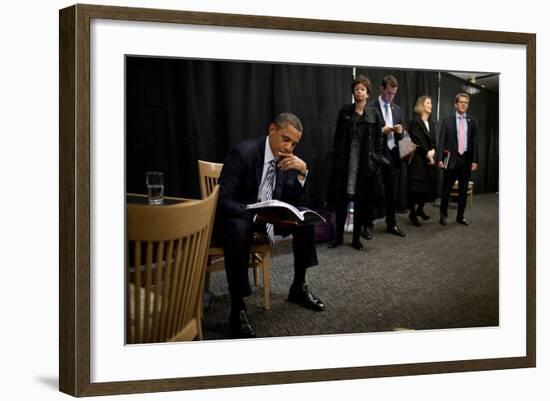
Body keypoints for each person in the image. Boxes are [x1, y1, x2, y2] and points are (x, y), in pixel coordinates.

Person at [217, 113, 325, 339]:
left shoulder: (285, 160)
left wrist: (302, 172)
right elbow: (224, 202)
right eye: (285, 139)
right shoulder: (243, 154)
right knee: (238, 228)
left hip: (269, 220)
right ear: (272, 129)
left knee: (303, 220)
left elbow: (293, 198)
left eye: (294, 144)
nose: (289, 147)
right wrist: (258, 218)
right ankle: (237, 307)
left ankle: (298, 287)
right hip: (243, 219)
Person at [326, 75, 384, 251]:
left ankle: (357, 238)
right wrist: (336, 158)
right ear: (353, 92)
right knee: (341, 201)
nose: (359, 92)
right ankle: (338, 237)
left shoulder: (374, 113)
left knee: (361, 202)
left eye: (362, 89)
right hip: (346, 162)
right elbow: (337, 137)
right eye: (357, 89)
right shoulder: (345, 111)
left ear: (367, 93)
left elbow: (379, 140)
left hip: (364, 164)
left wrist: (375, 160)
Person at [364, 75, 407, 239]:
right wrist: (382, 131)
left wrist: (400, 130)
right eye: (389, 93)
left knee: (392, 192)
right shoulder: (371, 107)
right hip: (376, 155)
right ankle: (366, 225)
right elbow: (367, 133)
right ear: (382, 89)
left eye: (394, 94)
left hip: (394, 155)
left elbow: (402, 135)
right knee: (372, 192)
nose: (391, 96)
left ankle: (391, 223)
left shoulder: (397, 109)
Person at [437, 93, 479, 226]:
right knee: (446, 190)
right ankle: (443, 215)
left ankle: (460, 217)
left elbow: (475, 142)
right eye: (460, 102)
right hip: (451, 159)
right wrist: (440, 158)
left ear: (467, 105)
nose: (463, 104)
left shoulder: (472, 121)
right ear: (455, 104)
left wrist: (475, 160)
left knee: (463, 191)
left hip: (466, 160)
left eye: (465, 102)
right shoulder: (447, 120)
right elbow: (442, 141)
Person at [407, 95, 437, 226]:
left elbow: (435, 141)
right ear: (421, 106)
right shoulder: (415, 122)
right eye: (428, 103)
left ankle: (420, 210)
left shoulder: (432, 123)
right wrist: (428, 153)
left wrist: (433, 151)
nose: (430, 105)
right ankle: (412, 213)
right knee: (416, 189)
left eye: (431, 103)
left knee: (427, 189)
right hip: (418, 159)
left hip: (429, 159)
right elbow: (417, 140)